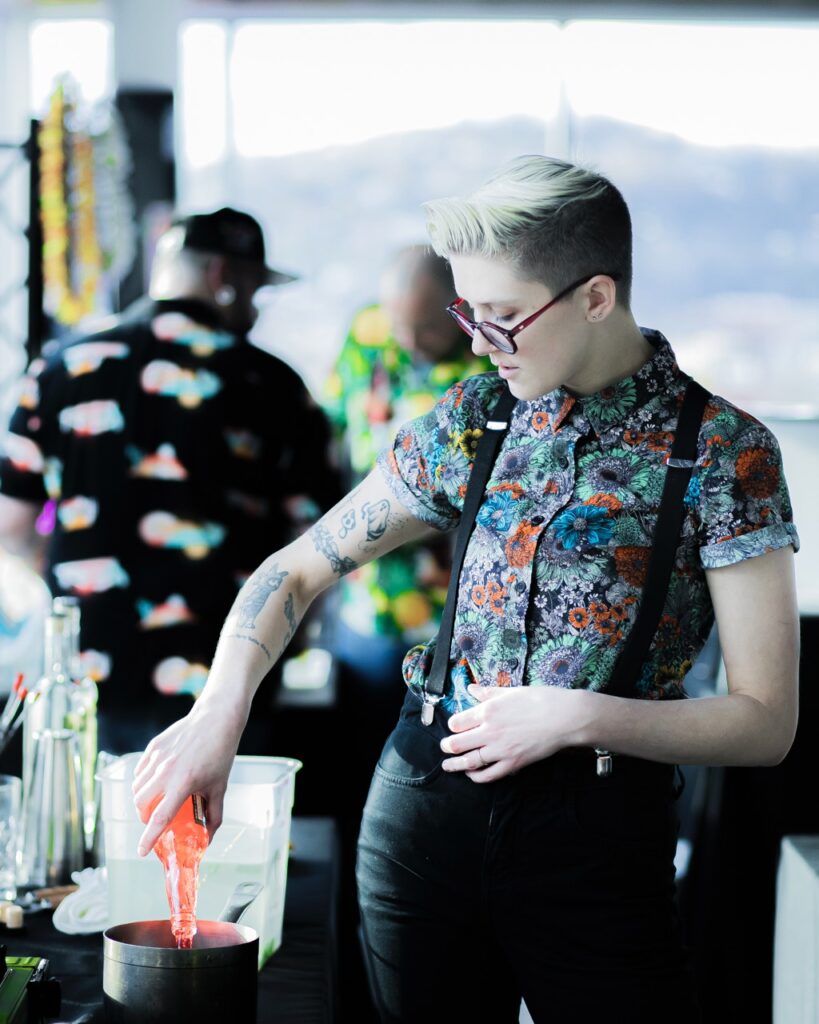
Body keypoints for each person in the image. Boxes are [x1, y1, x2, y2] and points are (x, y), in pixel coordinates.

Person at [132, 157, 800, 1023]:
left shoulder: (723, 452)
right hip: (420, 819)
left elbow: (765, 720)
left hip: (596, 841)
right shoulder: (471, 419)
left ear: (596, 297)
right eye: (468, 313)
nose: (480, 341)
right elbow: (291, 570)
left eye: (502, 317)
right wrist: (216, 716)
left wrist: (576, 715)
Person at [0, 207, 341, 755]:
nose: (255, 309)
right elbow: (321, 542)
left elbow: (11, 526)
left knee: (102, 827)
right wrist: (288, 643)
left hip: (89, 668)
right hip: (228, 675)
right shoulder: (273, 384)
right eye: (255, 289)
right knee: (220, 836)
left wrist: (85, 580)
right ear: (222, 278)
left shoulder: (61, 367)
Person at [322, 245, 486, 1017]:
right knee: (360, 801)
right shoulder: (365, 333)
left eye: (426, 330)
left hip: (449, 635)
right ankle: (358, 986)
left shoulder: (487, 375)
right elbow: (331, 435)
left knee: (432, 818)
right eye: (401, 326)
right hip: (362, 617)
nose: (410, 343)